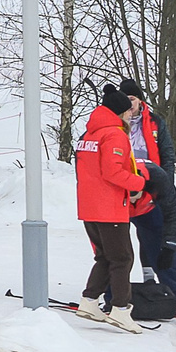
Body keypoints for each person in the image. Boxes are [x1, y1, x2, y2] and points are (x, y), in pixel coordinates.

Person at [72, 85, 149, 334]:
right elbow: (113, 171)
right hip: (110, 206)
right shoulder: (114, 134)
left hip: (90, 205)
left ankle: (90, 301)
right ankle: (120, 308)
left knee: (105, 256)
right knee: (122, 257)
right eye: (127, 112)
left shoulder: (90, 134)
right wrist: (139, 182)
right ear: (118, 113)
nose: (130, 116)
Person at [117, 79, 176, 313]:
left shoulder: (155, 122)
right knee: (116, 249)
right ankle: (114, 294)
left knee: (159, 240)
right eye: (125, 100)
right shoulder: (113, 124)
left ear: (140, 100)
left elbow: (167, 155)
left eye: (132, 99)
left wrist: (165, 184)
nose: (129, 105)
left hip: (151, 187)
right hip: (121, 189)